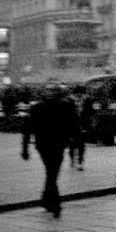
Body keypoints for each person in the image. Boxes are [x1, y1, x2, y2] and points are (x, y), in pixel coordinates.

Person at [21, 84, 79, 218]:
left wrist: (25, 148)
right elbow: (74, 125)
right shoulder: (65, 106)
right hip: (57, 144)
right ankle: (53, 203)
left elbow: (27, 129)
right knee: (52, 172)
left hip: (45, 145)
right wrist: (75, 141)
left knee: (51, 172)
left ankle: (48, 200)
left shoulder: (37, 107)